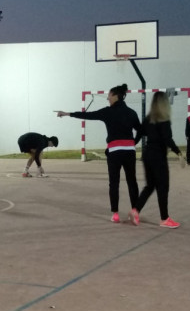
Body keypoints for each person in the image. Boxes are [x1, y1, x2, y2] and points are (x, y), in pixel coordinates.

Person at [56, 83, 141, 223]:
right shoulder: (132, 112)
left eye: (109, 95)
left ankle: (115, 214)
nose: (107, 98)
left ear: (115, 96)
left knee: (114, 183)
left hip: (114, 151)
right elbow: (140, 130)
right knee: (132, 182)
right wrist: (133, 143)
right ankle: (135, 213)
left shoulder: (108, 111)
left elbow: (87, 115)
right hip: (129, 152)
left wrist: (67, 114)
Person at [129, 92, 185, 229]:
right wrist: (179, 152)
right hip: (158, 156)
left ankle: (135, 210)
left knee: (150, 185)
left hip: (147, 155)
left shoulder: (148, 119)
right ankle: (164, 218)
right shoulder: (164, 120)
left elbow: (139, 134)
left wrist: (131, 144)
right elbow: (167, 139)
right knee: (163, 187)